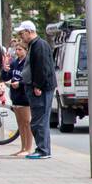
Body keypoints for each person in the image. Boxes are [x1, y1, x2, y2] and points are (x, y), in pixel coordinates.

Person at [17, 20, 56, 160]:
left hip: (41, 89)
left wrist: (38, 85)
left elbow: (42, 67)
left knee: (39, 120)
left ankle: (43, 149)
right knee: (39, 119)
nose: (21, 36)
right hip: (37, 87)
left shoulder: (39, 45)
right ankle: (42, 148)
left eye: (22, 33)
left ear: (29, 31)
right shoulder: (36, 45)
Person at [6, 40, 34, 156]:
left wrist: (20, 83)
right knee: (20, 123)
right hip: (15, 95)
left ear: (26, 50)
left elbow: (29, 78)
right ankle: (22, 148)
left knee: (27, 122)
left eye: (20, 49)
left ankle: (28, 148)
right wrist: (5, 70)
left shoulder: (27, 62)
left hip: (24, 96)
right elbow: (7, 76)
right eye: (16, 49)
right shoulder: (15, 62)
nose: (17, 52)